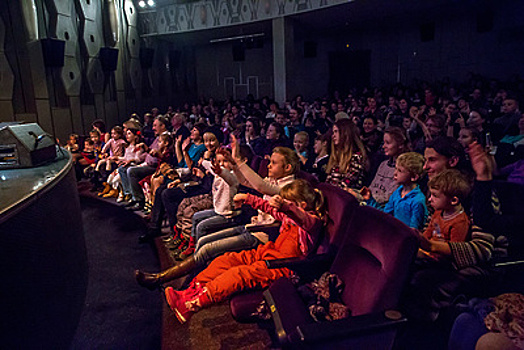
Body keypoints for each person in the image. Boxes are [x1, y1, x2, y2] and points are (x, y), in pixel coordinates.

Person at [163, 179, 327, 324]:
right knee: (225, 260)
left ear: (301, 205)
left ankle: (193, 304)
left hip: (283, 267)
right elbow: (269, 208)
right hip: (267, 254)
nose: (283, 205)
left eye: (288, 201)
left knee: (239, 273)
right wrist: (248, 199)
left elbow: (302, 218)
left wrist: (286, 206)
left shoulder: (312, 224)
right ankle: (189, 292)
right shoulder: (287, 217)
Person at [135, 145, 298, 289]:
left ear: (288, 167)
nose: (268, 165)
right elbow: (245, 182)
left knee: (207, 247)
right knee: (202, 241)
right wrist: (233, 164)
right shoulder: (275, 180)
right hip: (252, 227)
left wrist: (238, 162)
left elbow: (260, 186)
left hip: (263, 234)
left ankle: (167, 279)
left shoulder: (290, 188)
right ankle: (189, 279)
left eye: (274, 163)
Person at [418, 169, 472, 262]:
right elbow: (429, 231)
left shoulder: (460, 222)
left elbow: (454, 250)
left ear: (453, 200)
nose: (430, 199)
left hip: (440, 259)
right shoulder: (438, 213)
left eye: (435, 195)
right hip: (429, 252)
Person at [121, 116, 168, 211]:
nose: (153, 128)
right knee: (123, 168)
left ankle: (139, 200)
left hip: (155, 167)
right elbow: (146, 154)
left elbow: (158, 155)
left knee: (131, 171)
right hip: (146, 163)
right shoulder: (158, 137)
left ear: (163, 126)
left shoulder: (165, 138)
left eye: (155, 125)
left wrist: (146, 150)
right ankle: (131, 196)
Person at [382, 152, 428, 230]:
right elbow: (385, 215)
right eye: (396, 169)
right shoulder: (397, 192)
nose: (395, 173)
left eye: (400, 170)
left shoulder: (417, 201)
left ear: (414, 177)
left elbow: (414, 229)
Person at [326, 118, 368, 191]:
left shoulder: (357, 157)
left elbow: (347, 183)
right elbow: (329, 180)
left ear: (345, 133)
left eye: (336, 132)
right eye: (333, 132)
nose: (333, 136)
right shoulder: (337, 157)